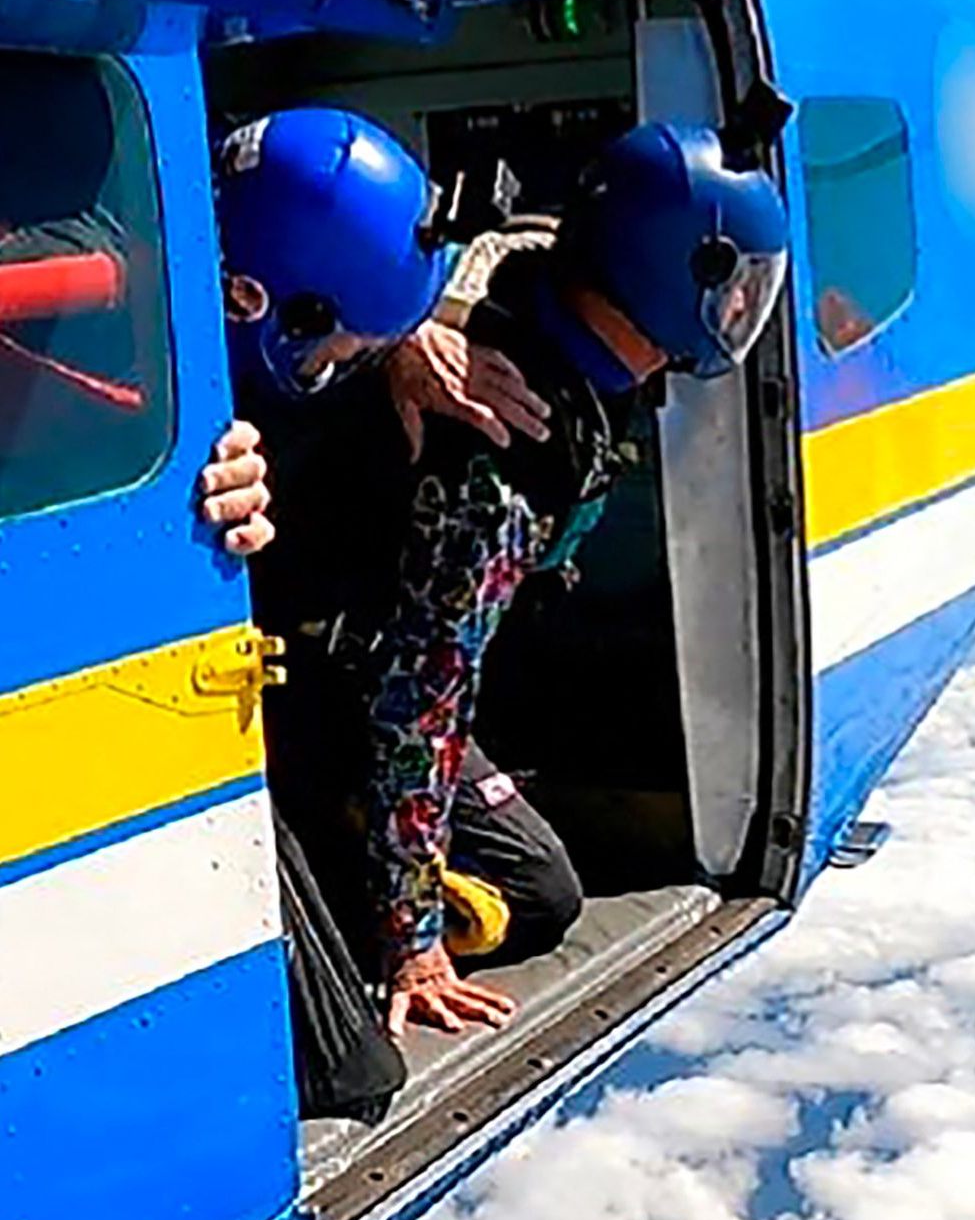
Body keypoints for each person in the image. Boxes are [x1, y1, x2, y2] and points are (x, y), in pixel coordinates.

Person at [219, 107, 788, 1040]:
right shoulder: (508, 455)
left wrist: (415, 332)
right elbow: (419, 702)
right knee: (538, 890)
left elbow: (483, 250)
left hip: (372, 650)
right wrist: (412, 942)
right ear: (670, 274)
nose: (738, 316)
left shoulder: (533, 295)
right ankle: (332, 897)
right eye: (733, 290)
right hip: (335, 689)